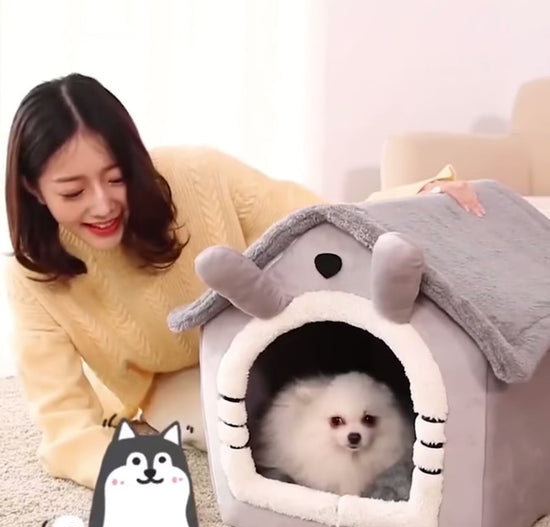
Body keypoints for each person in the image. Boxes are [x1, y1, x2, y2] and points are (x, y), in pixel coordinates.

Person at [4, 73, 482, 490]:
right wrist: (116, 472)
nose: (103, 204)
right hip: (173, 378)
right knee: (243, 430)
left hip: (267, 337)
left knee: (380, 381)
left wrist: (415, 198)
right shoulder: (32, 276)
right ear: (32, 189)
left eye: (116, 178)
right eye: (73, 191)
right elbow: (64, 422)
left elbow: (317, 219)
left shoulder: (198, 176)